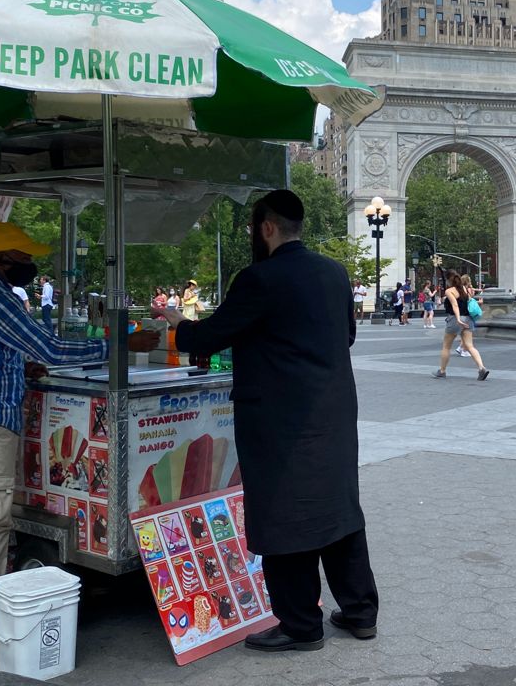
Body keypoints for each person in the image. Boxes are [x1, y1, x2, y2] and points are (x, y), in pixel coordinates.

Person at [0, 222, 158, 656]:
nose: (30, 266)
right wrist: (120, 342)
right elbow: (53, 350)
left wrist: (12, 369)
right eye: (24, 260)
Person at [153, 190, 379, 653]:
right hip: (334, 414)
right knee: (338, 510)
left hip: (280, 421)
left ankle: (300, 625)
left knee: (284, 515)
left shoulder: (259, 279)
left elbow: (212, 335)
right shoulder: (335, 272)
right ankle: (360, 613)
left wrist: (178, 321)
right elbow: (346, 335)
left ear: (267, 228)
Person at [433, 271, 489, 380]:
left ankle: (442, 371)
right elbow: (469, 303)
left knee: (446, 346)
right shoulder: (464, 289)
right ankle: (482, 368)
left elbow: (455, 305)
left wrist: (458, 319)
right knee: (470, 346)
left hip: (455, 319)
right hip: (468, 319)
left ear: (449, 280)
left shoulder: (450, 291)